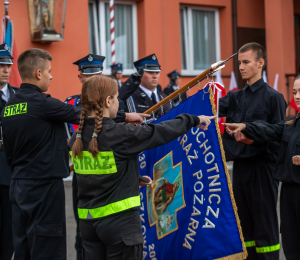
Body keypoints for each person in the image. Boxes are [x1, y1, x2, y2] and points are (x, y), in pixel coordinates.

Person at [68, 75, 215, 260]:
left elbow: (99, 171)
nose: (118, 104)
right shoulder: (119, 134)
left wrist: (133, 179)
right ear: (107, 101)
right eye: (116, 98)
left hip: (89, 227)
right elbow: (159, 132)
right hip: (120, 226)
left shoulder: (77, 138)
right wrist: (191, 119)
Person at [66, 54, 149, 260]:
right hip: (87, 179)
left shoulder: (109, 107)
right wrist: (125, 116)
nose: (94, 80)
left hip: (109, 182)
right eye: (89, 76)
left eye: (98, 75)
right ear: (80, 78)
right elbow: (89, 116)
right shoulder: (73, 104)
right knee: (82, 239)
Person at [1, 48, 81, 260]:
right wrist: (126, 115)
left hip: (18, 185)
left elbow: (7, 152)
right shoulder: (43, 103)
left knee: (23, 249)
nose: (51, 75)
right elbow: (84, 116)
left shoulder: (9, 106)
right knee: (48, 248)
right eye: (49, 71)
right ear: (38, 73)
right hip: (44, 187)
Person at [219, 42, 287, 259]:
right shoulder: (236, 97)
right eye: (239, 63)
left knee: (264, 226)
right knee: (244, 226)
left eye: (246, 62)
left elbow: (278, 134)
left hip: (262, 169)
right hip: (240, 169)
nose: (241, 67)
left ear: (260, 63)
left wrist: (251, 134)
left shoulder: (273, 97)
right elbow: (210, 107)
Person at [224, 75, 300, 259]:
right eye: (295, 91)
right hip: (290, 192)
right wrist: (245, 126)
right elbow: (270, 129)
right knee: (291, 245)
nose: (297, 96)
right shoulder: (292, 123)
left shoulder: (272, 98)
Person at [0, 43, 18, 260]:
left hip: (13, 170)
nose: (5, 69)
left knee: (10, 230)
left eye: (8, 65)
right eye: (1, 65)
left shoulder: (18, 95)